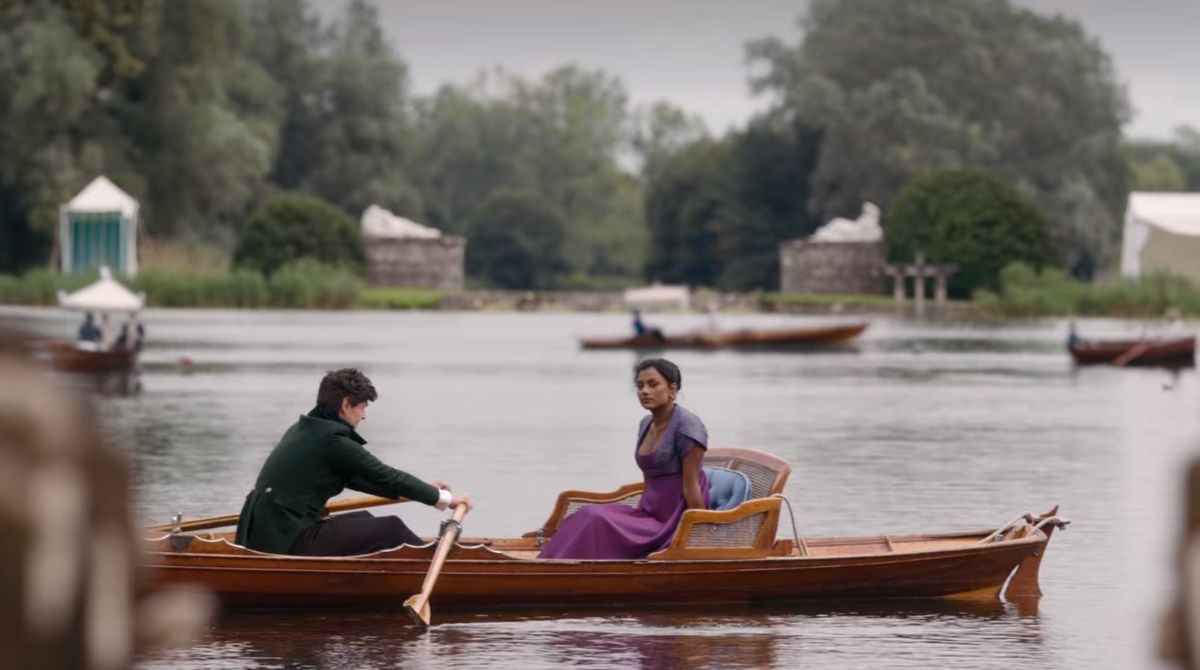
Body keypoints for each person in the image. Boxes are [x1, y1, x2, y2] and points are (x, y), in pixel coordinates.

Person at [235, 368, 472, 556]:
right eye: (363, 407)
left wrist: (425, 490)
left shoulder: (304, 430)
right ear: (346, 405)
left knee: (365, 520)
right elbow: (387, 476)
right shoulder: (332, 441)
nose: (365, 415)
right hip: (286, 539)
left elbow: (366, 479)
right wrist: (448, 500)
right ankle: (442, 573)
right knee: (391, 528)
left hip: (266, 533)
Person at [538, 358, 708, 559]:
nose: (644, 391)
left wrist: (698, 537)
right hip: (647, 513)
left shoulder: (688, 427)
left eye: (653, 384)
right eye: (640, 385)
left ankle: (559, 568)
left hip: (671, 520)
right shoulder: (646, 423)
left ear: (672, 389)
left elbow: (691, 487)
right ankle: (552, 564)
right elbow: (650, 479)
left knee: (596, 518)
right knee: (586, 513)